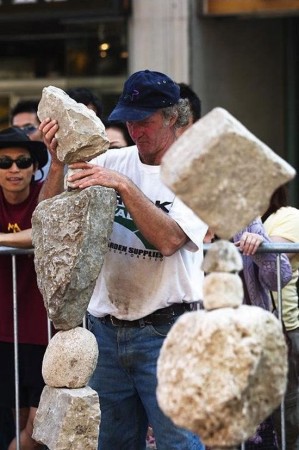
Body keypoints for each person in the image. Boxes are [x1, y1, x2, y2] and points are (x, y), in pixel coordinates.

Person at [39, 69, 208, 450]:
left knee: (178, 442)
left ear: (172, 117)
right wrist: (57, 161)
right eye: (128, 120)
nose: (135, 130)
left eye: (144, 120)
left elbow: (169, 240)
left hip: (166, 331)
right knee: (111, 441)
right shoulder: (112, 160)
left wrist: (123, 186)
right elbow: (47, 219)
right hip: (106, 329)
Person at [0, 127, 49, 450]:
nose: (14, 169)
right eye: (4, 162)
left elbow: (44, 229)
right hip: (3, 331)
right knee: (12, 419)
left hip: (42, 329)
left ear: (34, 167)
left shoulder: (45, 193)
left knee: (38, 425)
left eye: (22, 161)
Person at [233, 218, 292, 450]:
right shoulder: (184, 217)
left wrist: (261, 248)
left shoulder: (246, 220)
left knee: (257, 437)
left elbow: (281, 277)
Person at [262, 184, 299, 450]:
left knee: (289, 409)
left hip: (286, 327)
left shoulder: (288, 215)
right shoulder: (241, 223)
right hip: (250, 331)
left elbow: (275, 261)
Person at [10, 99, 51, 180]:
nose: (21, 134)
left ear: (44, 129)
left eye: (29, 128)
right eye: (16, 130)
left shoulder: (61, 164)